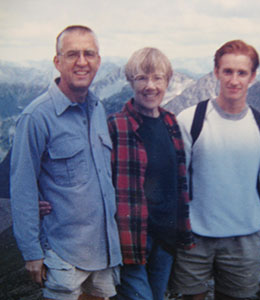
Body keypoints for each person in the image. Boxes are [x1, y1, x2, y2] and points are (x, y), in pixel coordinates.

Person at [10, 25, 121, 300]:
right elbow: (22, 187)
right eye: (72, 54)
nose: (82, 62)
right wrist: (31, 252)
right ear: (57, 62)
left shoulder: (97, 108)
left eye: (89, 54)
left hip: (104, 251)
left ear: (99, 61)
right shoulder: (37, 117)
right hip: (64, 254)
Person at [170, 40, 260, 300]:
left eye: (242, 73)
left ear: (252, 77)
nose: (234, 80)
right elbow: (177, 180)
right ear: (216, 71)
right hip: (195, 236)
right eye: (227, 71)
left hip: (244, 240)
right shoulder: (190, 120)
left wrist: (259, 226)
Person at [107, 47, 194, 300]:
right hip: (132, 238)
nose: (150, 86)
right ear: (130, 82)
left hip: (165, 237)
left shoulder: (171, 123)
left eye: (157, 78)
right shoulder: (116, 125)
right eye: (142, 78)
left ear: (167, 81)